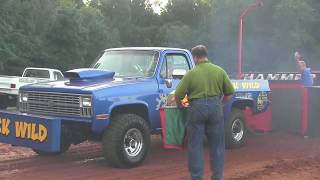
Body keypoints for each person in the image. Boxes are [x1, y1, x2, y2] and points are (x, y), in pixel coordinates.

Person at [175, 45, 235, 180]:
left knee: (195, 145)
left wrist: (181, 106)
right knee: (217, 146)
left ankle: (196, 177)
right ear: (206, 55)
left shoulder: (191, 73)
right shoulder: (219, 71)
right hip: (215, 108)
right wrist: (220, 103)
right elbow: (230, 92)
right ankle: (217, 177)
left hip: (196, 108)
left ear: (195, 57)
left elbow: (178, 94)